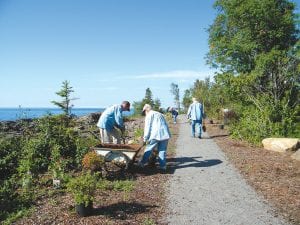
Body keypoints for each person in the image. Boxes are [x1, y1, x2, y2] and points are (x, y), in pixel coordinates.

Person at [139, 104, 171, 171]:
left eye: (144, 111)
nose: (144, 113)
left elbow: (147, 128)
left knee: (148, 149)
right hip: (165, 134)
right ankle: (163, 166)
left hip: (155, 134)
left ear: (146, 110)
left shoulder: (149, 115)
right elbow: (165, 124)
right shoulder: (159, 114)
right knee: (162, 151)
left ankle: (142, 163)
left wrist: (145, 139)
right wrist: (168, 134)